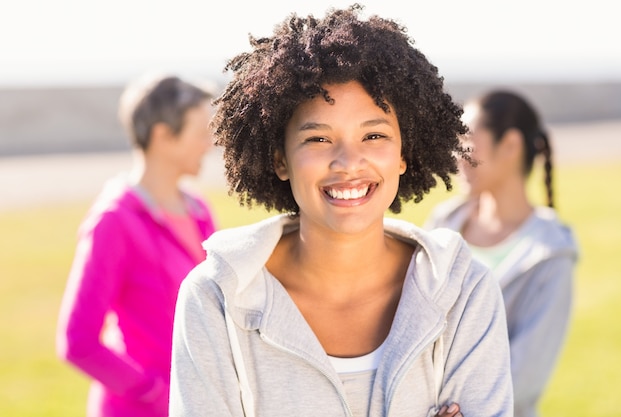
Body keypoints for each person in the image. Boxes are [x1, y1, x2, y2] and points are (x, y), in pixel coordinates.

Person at [169, 5, 513, 417]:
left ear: (403, 153)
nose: (349, 162)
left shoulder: (463, 292)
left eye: (373, 135)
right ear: (280, 159)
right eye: (318, 139)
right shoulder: (215, 298)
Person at [56, 73, 218, 417]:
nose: (210, 143)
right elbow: (77, 341)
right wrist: (154, 392)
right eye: (201, 133)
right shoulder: (114, 221)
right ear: (163, 135)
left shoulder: (199, 210)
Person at [424, 90, 578, 417]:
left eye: (468, 139)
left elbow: (524, 377)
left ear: (509, 145)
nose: (458, 153)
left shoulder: (551, 255)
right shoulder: (443, 224)